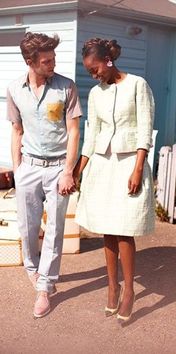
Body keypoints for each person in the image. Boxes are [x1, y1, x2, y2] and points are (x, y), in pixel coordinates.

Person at [74, 38, 155, 323]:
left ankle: (130, 289)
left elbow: (145, 129)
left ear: (108, 60)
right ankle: (112, 286)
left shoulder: (137, 85)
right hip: (103, 164)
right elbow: (91, 134)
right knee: (106, 228)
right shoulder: (96, 94)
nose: (93, 75)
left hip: (128, 162)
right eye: (89, 71)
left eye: (95, 68)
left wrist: (137, 169)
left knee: (124, 228)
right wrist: (78, 169)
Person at [6, 32, 82, 318]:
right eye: (46, 61)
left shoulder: (66, 87)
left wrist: (68, 172)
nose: (53, 64)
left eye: (53, 59)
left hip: (58, 169)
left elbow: (74, 131)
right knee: (27, 227)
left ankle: (45, 287)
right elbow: (16, 131)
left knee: (55, 229)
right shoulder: (14, 89)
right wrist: (18, 169)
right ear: (30, 62)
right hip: (29, 167)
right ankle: (33, 270)